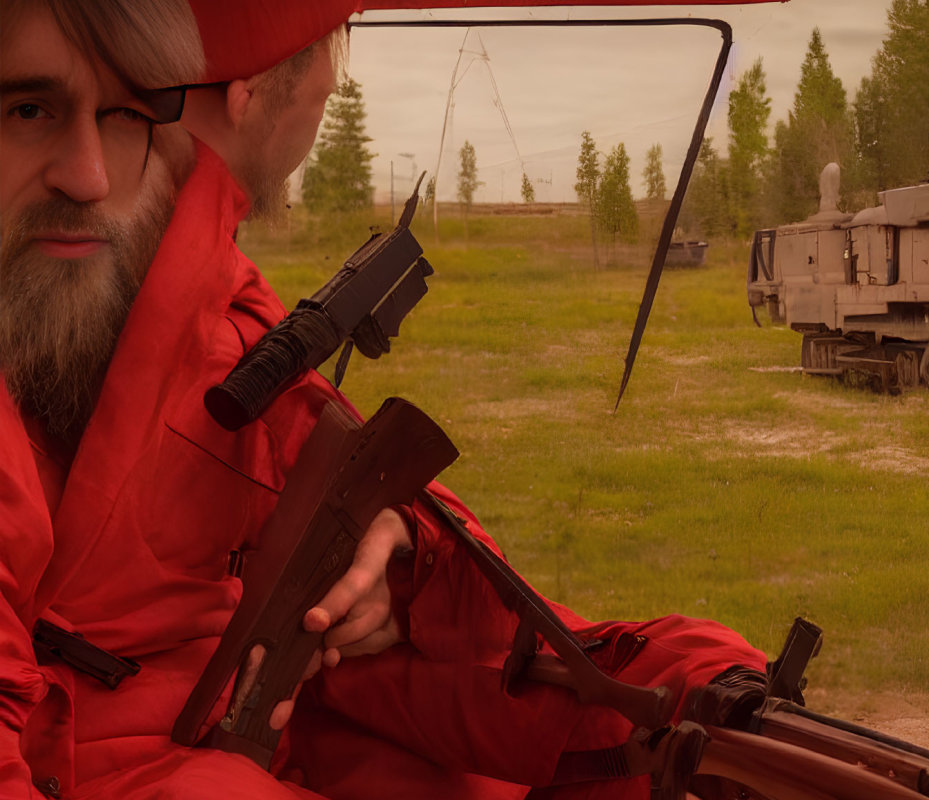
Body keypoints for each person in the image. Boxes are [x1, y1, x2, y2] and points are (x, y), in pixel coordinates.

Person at [0, 1, 768, 798]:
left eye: (124, 117)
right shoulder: (137, 298)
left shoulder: (200, 303)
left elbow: (411, 560)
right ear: (255, 87)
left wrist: (396, 556)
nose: (86, 173)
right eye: (28, 111)